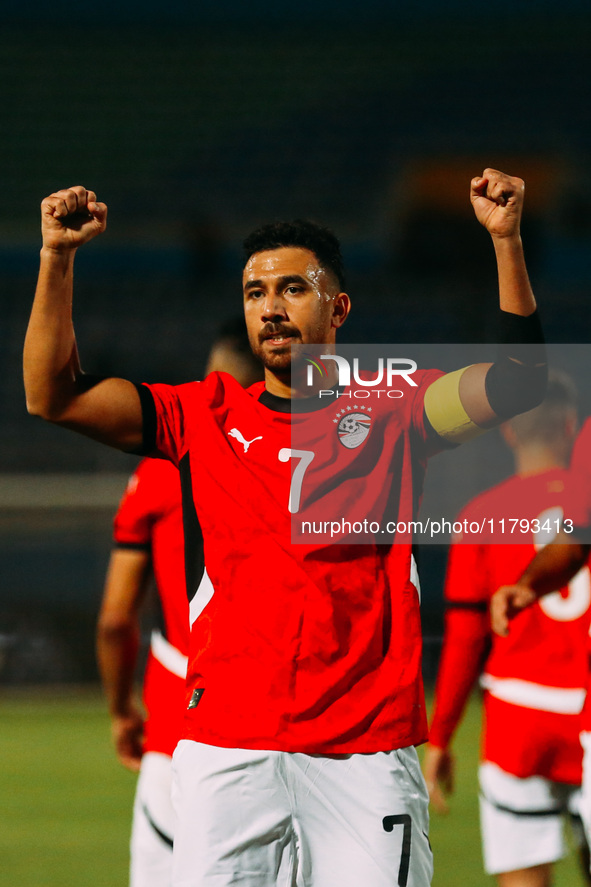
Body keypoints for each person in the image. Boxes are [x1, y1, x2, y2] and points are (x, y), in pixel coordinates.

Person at [24, 168, 545, 887]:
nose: (270, 307)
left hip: (364, 749)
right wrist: (56, 258)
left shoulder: (396, 408)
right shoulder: (199, 416)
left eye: (292, 288)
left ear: (339, 307)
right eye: (254, 292)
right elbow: (50, 394)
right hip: (226, 747)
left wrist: (505, 241)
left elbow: (519, 380)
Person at [96, 322, 263, 887]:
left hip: (180, 718)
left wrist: (122, 710)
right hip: (289, 719)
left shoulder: (162, 467)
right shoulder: (312, 458)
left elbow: (116, 618)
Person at [424, 373, 591, 887]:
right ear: (570, 428)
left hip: (518, 719)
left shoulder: (481, 517)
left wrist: (440, 738)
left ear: (510, 434)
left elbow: (465, 641)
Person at [491, 417, 591, 870]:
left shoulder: (484, 509)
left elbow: (462, 637)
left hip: (520, 710)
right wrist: (530, 585)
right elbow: (574, 541)